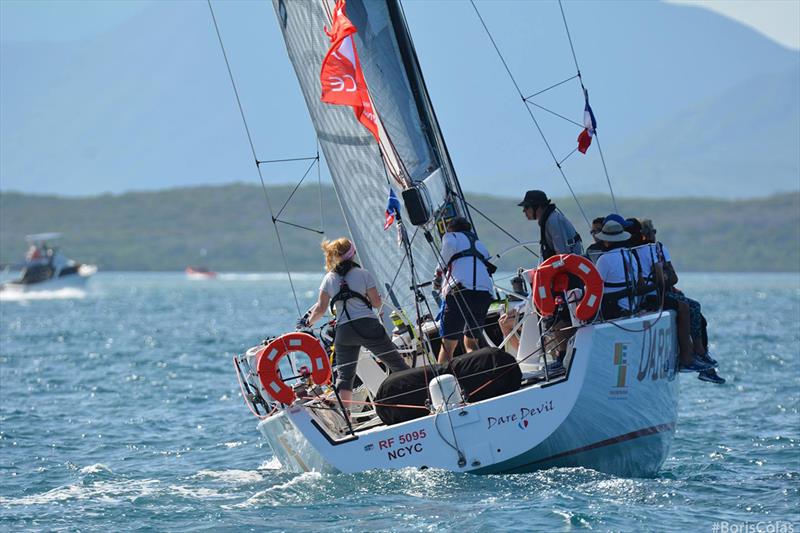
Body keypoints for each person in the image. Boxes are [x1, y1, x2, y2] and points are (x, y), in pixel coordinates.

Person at [300, 238, 409, 409]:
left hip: (344, 332)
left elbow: (320, 309)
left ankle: (347, 417)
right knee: (398, 365)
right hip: (368, 327)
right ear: (353, 254)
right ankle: (416, 397)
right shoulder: (363, 274)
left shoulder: (329, 278)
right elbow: (376, 303)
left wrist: (307, 323)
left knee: (345, 377)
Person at [639, 219, 724, 383]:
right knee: (693, 307)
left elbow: (671, 278)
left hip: (664, 291)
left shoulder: (658, 249)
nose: (654, 235)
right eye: (651, 232)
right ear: (645, 235)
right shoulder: (647, 251)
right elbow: (666, 278)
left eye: (654, 232)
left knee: (700, 319)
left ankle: (704, 360)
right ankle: (698, 354)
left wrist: (666, 278)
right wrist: (665, 277)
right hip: (656, 295)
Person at [435, 217, 495, 364]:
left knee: (448, 345)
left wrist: (437, 276)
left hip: (460, 292)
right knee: (472, 343)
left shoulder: (451, 237)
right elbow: (487, 260)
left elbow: (447, 248)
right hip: (483, 293)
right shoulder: (479, 244)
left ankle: (440, 380)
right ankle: (478, 375)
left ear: (451, 229)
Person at [518, 190, 583, 260]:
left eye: (527, 207)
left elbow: (562, 256)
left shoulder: (553, 221)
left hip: (570, 267)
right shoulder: (548, 220)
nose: (524, 210)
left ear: (538, 207)